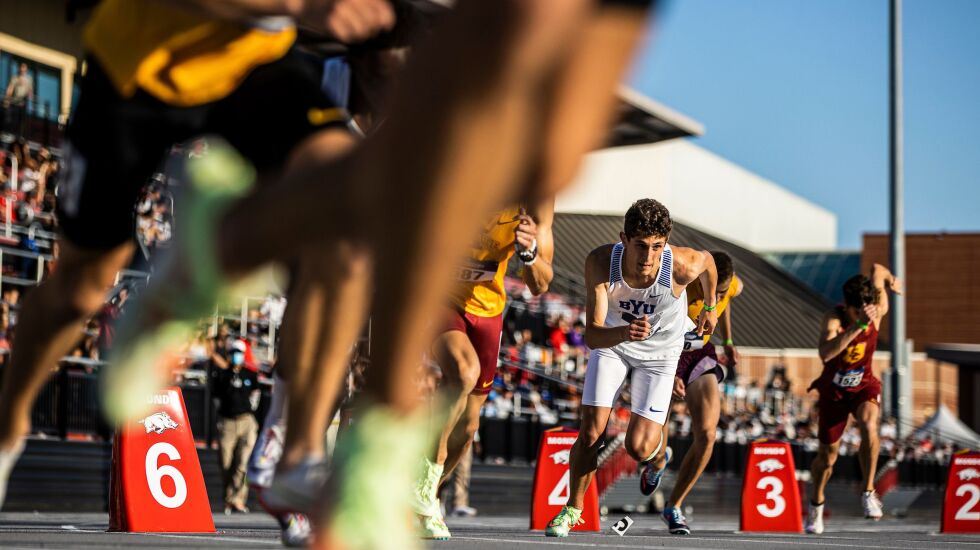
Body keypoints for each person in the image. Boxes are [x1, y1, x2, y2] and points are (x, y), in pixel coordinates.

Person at [545, 199, 718, 537]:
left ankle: (657, 458)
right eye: (640, 246)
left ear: (666, 244)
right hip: (615, 343)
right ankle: (573, 508)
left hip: (661, 354)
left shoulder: (681, 265)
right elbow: (592, 336)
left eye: (657, 247)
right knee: (592, 430)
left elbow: (710, 262)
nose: (648, 257)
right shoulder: (600, 262)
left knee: (637, 447)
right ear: (623, 239)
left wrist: (709, 306)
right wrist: (624, 332)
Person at [415, 201, 554, 540]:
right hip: (440, 298)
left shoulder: (536, 200)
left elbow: (540, 284)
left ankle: (427, 496)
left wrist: (530, 253)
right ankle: (421, 479)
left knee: (470, 424)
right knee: (463, 372)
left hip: (488, 312)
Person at [804, 264, 902, 534]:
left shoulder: (875, 309)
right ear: (846, 307)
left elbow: (877, 270)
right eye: (857, 311)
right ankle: (816, 504)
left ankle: (868, 490)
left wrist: (892, 281)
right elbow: (825, 354)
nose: (864, 315)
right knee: (827, 458)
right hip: (834, 391)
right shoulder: (833, 319)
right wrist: (857, 327)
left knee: (870, 426)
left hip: (863, 386)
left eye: (866, 310)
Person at [652, 251, 744, 535]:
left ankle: (674, 505)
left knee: (708, 434)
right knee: (656, 426)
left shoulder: (734, 285)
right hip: (667, 351)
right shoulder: (683, 278)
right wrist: (674, 373)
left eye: (721, 291)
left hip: (700, 352)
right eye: (712, 291)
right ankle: (657, 460)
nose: (715, 297)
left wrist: (727, 339)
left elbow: (725, 305)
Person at [212, 338, 260, 515]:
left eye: (239, 353)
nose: (236, 356)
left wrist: (250, 412)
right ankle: (228, 498)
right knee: (225, 462)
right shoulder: (222, 375)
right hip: (227, 422)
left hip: (246, 421)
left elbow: (256, 394)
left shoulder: (250, 374)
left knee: (243, 463)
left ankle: (239, 499)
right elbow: (216, 399)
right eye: (233, 353)